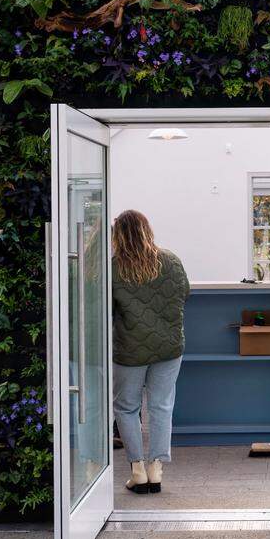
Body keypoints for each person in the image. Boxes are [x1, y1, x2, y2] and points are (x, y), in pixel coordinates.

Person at [111, 210, 190, 495]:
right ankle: (157, 468)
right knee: (161, 406)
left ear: (118, 236)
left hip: (130, 350)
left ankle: (137, 471)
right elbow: (185, 293)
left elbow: (107, 311)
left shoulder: (114, 268)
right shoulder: (171, 261)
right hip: (169, 347)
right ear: (147, 230)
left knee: (127, 407)